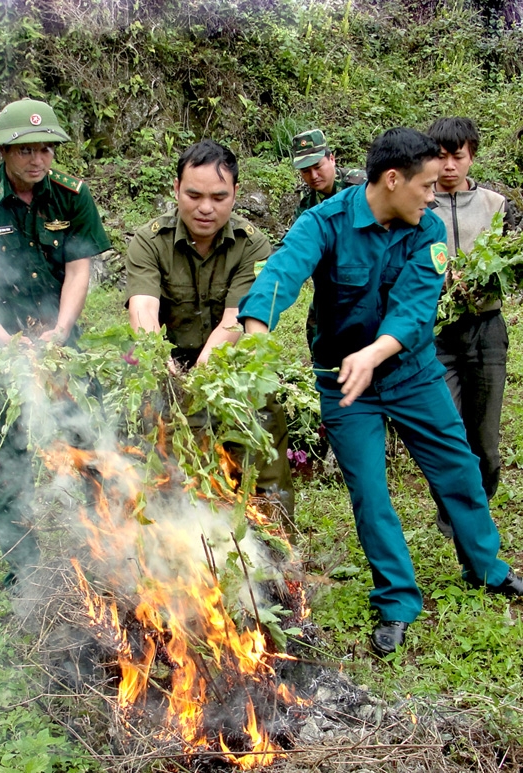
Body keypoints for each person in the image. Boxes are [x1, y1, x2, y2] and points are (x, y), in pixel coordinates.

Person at [237, 127, 523, 656]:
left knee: (458, 468)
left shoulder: (428, 231)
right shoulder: (326, 221)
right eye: (426, 185)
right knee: (370, 492)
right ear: (393, 180)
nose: (433, 195)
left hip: (410, 374)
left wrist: (372, 355)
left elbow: (415, 311)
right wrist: (256, 333)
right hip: (346, 386)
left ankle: (486, 567)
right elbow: (283, 272)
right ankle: (396, 600)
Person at [0, 98, 111, 587]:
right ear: (4, 151)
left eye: (47, 149)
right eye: (27, 150)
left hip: (62, 346)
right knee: (7, 460)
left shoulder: (72, 197)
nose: (39, 160)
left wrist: (60, 329)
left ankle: (106, 551)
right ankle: (25, 573)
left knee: (89, 442)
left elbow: (80, 268)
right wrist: (7, 343)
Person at [125, 139, 294, 515]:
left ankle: (275, 547)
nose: (205, 208)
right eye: (194, 194)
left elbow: (236, 321)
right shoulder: (149, 241)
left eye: (219, 197)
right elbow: (143, 309)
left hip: (229, 365)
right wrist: (166, 372)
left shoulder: (253, 245)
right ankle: (167, 548)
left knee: (262, 433)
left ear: (235, 193)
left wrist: (198, 383)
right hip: (165, 367)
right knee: (161, 464)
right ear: (176, 190)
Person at [427, 117, 515, 538]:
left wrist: (483, 279)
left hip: (487, 329)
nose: (447, 166)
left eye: (456, 157)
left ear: (471, 156)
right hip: (438, 332)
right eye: (440, 157)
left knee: (485, 442)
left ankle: (480, 504)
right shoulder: (420, 205)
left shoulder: (496, 205)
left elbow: (511, 262)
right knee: (449, 431)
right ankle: (456, 520)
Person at [291, 129, 366, 352]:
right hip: (329, 284)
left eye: (318, 167)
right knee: (318, 338)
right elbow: (296, 241)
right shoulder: (307, 202)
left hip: (365, 280)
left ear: (331, 159)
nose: (313, 176)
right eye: (306, 171)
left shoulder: (361, 186)